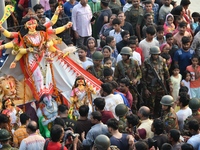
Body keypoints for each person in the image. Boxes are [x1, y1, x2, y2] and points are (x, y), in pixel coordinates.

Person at [141, 46, 171, 117]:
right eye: (154, 54)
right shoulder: (147, 62)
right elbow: (143, 77)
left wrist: (169, 84)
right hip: (151, 87)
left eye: (157, 54)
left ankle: (159, 116)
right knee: (151, 104)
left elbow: (166, 74)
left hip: (161, 86)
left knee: (160, 103)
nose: (155, 56)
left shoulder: (162, 61)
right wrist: (145, 89)